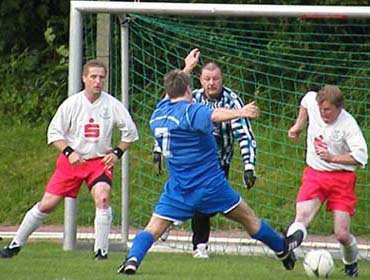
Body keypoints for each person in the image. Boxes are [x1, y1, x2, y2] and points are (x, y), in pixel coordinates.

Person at [117, 69, 298, 275]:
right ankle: (282, 249)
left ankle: (132, 259)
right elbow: (215, 114)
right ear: (188, 89)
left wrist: (186, 68)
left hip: (178, 189)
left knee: (153, 229)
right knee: (250, 221)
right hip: (211, 186)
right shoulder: (191, 111)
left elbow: (170, 94)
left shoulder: (158, 113)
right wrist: (241, 112)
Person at [0, 59, 139, 260]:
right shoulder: (72, 103)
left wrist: (117, 153)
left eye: (101, 77)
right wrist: (69, 153)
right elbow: (54, 133)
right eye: (93, 76)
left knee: (103, 197)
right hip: (72, 162)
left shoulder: (112, 104)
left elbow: (130, 132)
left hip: (98, 163)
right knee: (47, 204)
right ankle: (15, 244)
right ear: (84, 78)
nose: (97, 81)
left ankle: (101, 252)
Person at [155, 49, 257, 258]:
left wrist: (249, 165)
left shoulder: (232, 100)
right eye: (207, 79)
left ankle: (172, 219)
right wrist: (158, 150)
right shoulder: (192, 98)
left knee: (208, 205)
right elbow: (168, 119)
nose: (211, 83)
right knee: (198, 200)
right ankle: (199, 246)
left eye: (216, 79)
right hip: (189, 161)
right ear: (200, 80)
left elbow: (245, 134)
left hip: (219, 162)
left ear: (222, 80)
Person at [286, 85, 368, 277]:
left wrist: (333, 158)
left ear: (339, 108)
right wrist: (299, 125)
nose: (324, 113)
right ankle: (288, 250)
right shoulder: (314, 104)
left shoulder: (348, 125)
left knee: (341, 234)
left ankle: (351, 264)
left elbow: (361, 156)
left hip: (342, 178)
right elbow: (306, 100)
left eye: (328, 110)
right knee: (302, 217)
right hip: (315, 174)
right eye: (322, 109)